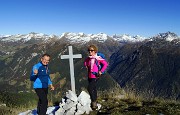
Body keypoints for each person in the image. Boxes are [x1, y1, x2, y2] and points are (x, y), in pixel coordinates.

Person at [84, 45, 108, 110]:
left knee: (90, 88)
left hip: (96, 76)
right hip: (89, 76)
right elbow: (85, 62)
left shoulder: (98, 58)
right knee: (93, 88)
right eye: (89, 50)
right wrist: (86, 65)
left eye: (92, 50)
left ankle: (93, 102)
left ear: (95, 51)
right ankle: (95, 100)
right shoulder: (89, 58)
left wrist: (101, 71)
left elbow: (105, 64)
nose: (90, 52)